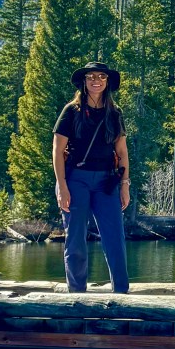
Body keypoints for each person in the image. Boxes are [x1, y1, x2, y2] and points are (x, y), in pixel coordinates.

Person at [52, 62, 131, 294]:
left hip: (107, 182)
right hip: (76, 179)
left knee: (114, 236)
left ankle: (121, 292)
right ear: (84, 82)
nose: (96, 80)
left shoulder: (114, 114)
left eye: (101, 77)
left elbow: (122, 152)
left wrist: (124, 186)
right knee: (75, 237)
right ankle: (77, 293)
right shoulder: (71, 111)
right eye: (91, 76)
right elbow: (57, 151)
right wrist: (63, 187)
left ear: (107, 82)